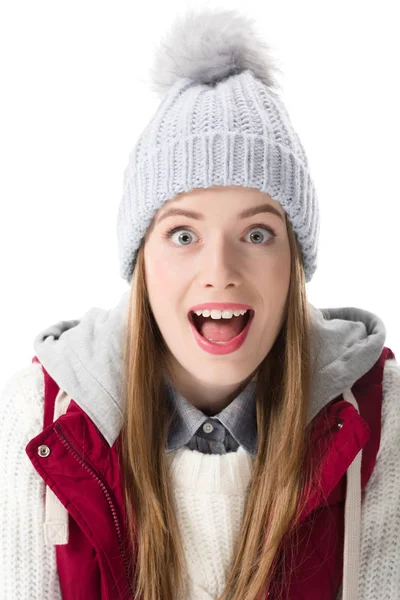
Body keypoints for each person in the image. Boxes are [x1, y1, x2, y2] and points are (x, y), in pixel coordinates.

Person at [0, 7, 399, 600]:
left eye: (257, 235)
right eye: (183, 235)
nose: (220, 273)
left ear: (294, 262)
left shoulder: (380, 418)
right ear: (142, 260)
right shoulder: (41, 417)